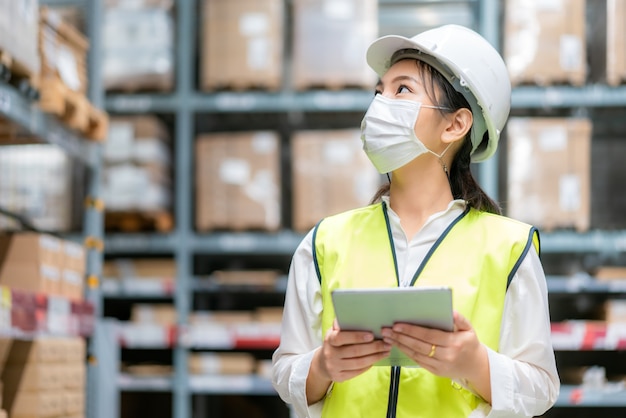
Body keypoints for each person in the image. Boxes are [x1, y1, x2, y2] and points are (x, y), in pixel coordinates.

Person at [272, 24, 560, 417]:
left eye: (402, 90)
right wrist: (322, 367)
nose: (379, 105)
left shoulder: (510, 248)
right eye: (379, 91)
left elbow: (541, 387)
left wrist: (474, 364)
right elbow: (286, 371)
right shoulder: (325, 243)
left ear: (455, 125)